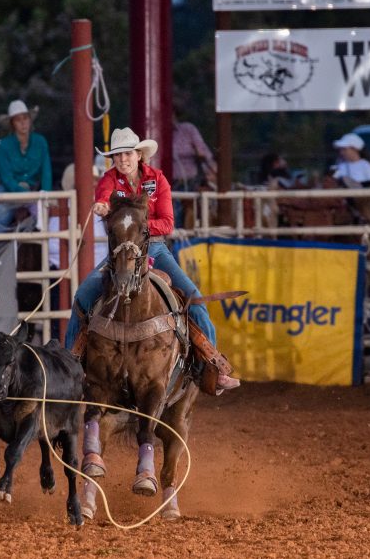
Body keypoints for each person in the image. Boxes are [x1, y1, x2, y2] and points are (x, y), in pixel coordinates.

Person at [64, 127, 240, 394]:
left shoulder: (158, 179)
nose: (123, 160)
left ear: (139, 154)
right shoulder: (109, 179)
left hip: (155, 249)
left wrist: (138, 226)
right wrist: (101, 205)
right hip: (121, 253)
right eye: (118, 155)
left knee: (193, 298)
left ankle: (212, 364)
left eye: (128, 154)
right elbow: (103, 197)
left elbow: (168, 223)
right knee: (83, 296)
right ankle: (70, 365)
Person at [0, 99, 52, 233]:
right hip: (8, 190)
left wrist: (46, 194)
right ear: (12, 124)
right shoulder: (5, 145)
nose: (23, 123)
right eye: (18, 120)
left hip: (34, 189)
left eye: (25, 118)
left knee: (49, 222)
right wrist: (25, 194)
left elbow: (46, 172)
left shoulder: (40, 142)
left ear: (30, 120)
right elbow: (6, 177)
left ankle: (49, 252)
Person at [172, 113, 217, 228]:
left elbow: (203, 153)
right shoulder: (157, 134)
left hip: (189, 181)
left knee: (187, 210)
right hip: (167, 182)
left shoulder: (187, 130)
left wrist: (211, 171)